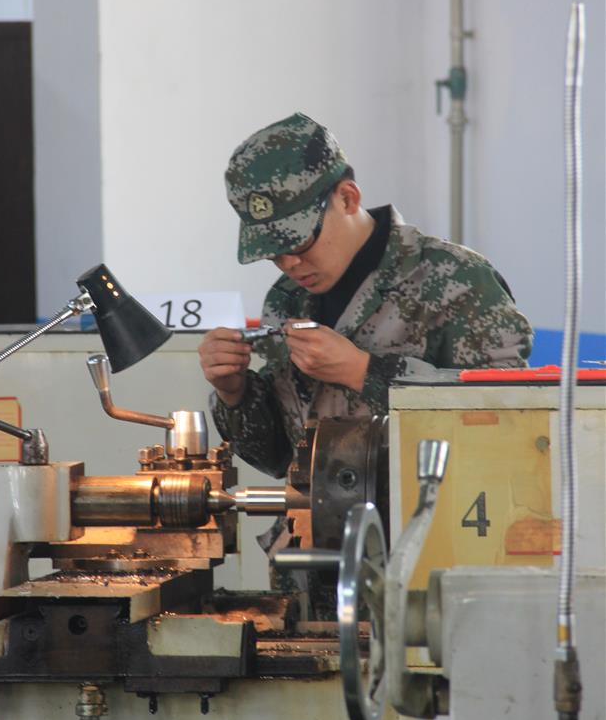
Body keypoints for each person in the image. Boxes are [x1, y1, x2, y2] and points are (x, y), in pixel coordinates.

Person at [199, 113, 532, 617]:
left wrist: (363, 372)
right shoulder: (287, 299)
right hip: (312, 576)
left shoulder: (456, 281)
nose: (289, 264)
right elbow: (279, 457)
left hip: (426, 571)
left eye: (299, 243)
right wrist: (234, 393)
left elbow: (511, 426)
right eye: (274, 253)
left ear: (347, 198)